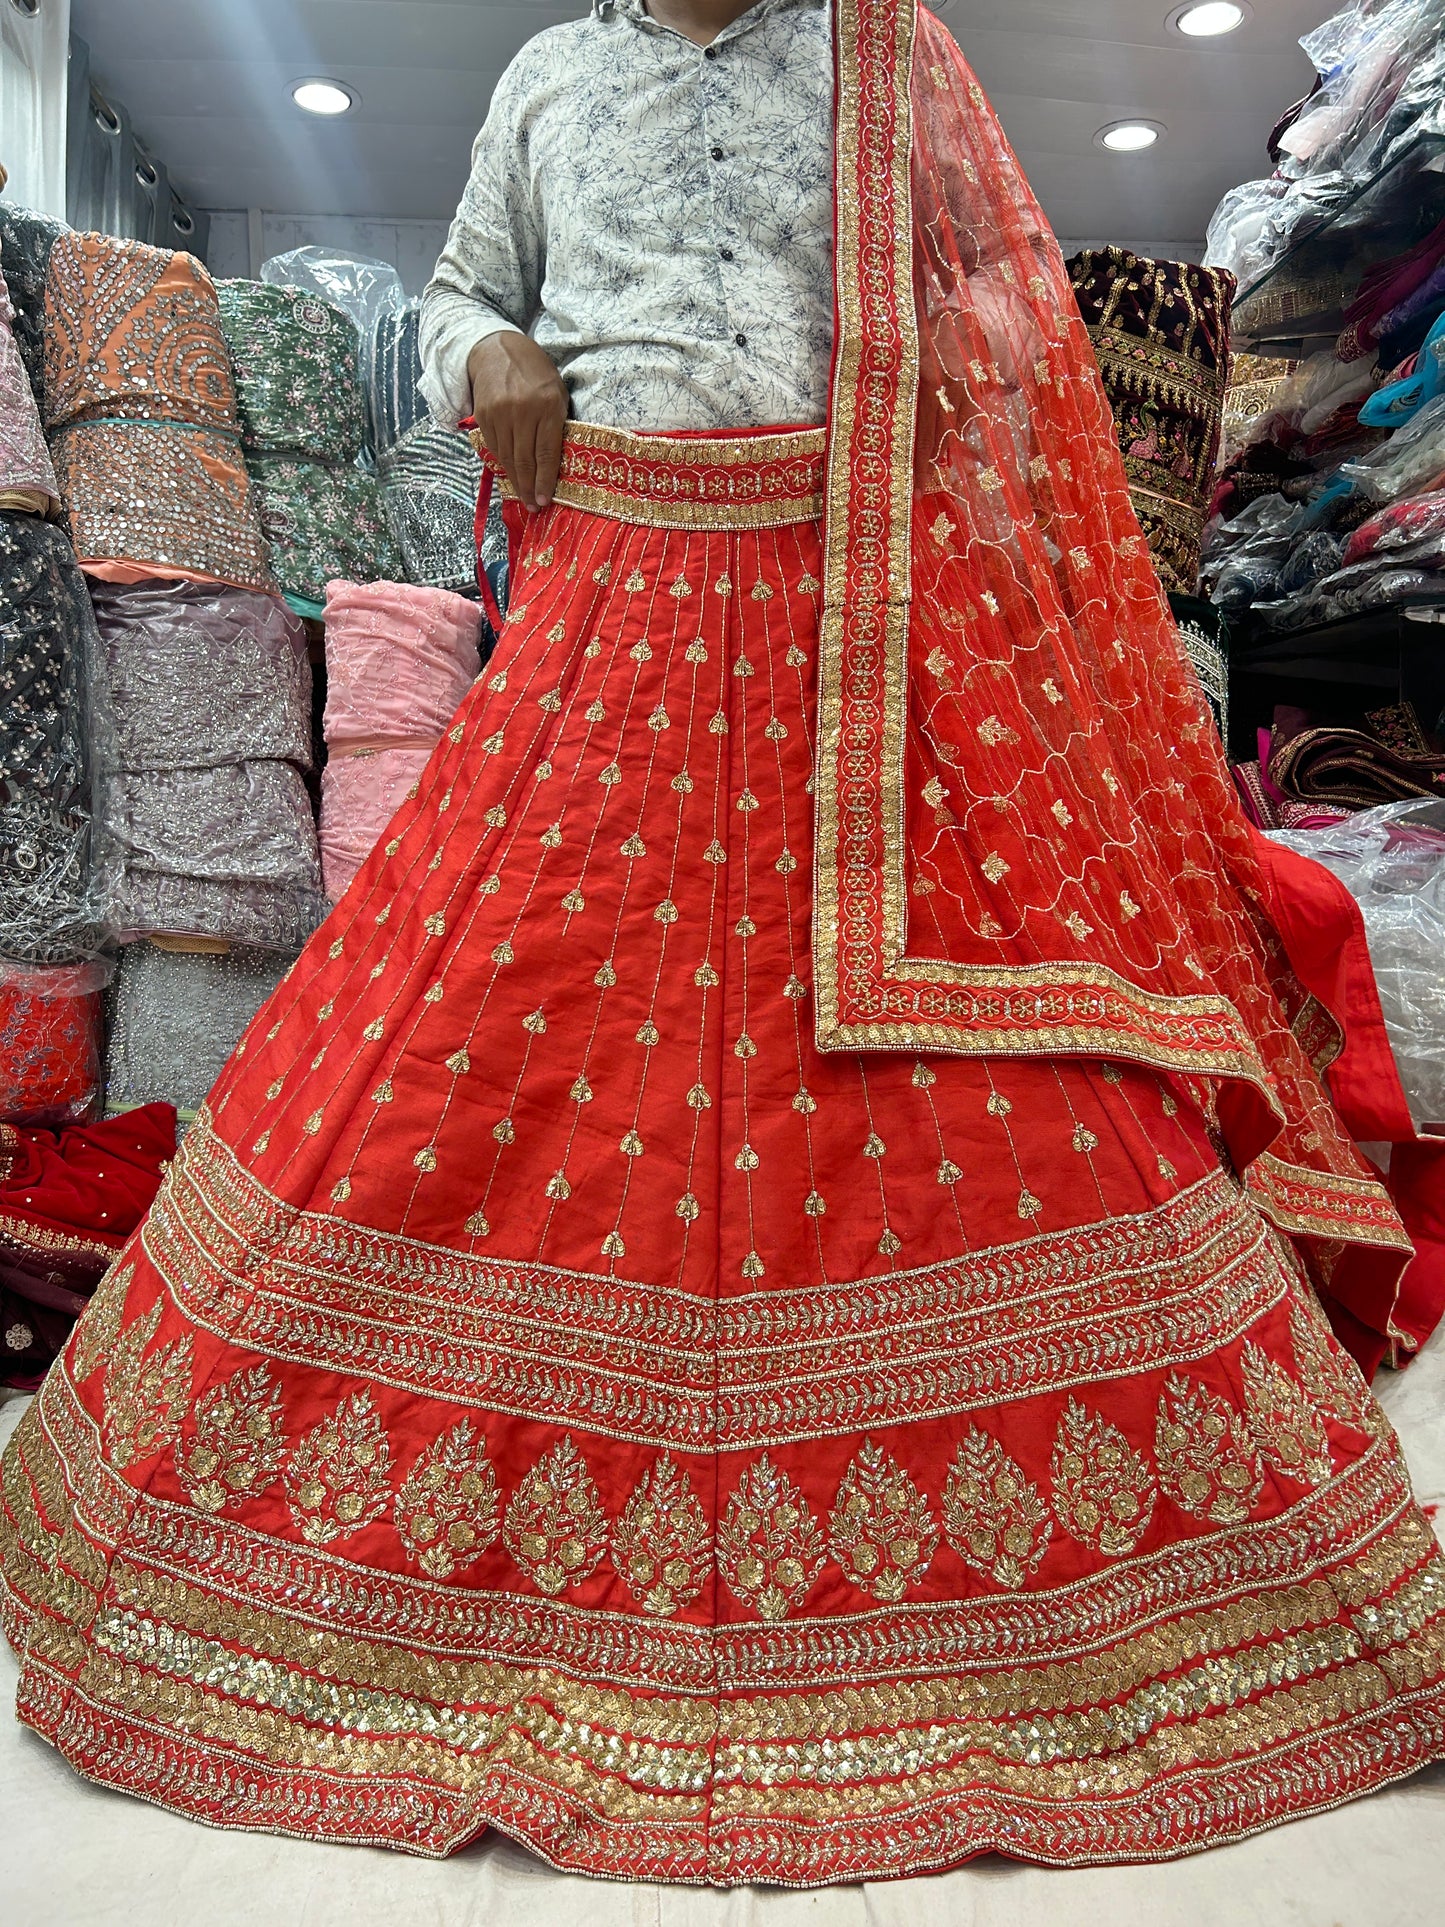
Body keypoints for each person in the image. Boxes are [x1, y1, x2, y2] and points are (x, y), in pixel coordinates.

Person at [4, 0, 1444, 1887]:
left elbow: (997, 347)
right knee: (473, 1018)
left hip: (848, 632)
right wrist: (491, 344)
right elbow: (454, 298)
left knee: (954, 1067)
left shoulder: (882, 56)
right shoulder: (546, 77)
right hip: (606, 609)